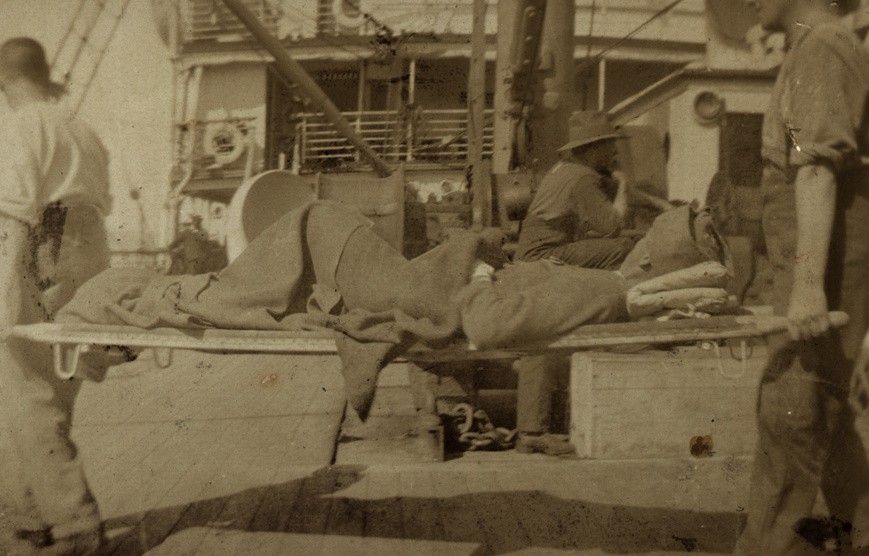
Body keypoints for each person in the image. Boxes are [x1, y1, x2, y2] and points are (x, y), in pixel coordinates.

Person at [738, 1, 869, 553]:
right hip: (818, 259)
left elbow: (815, 167)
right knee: (828, 422)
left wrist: (809, 285)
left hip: (826, 265)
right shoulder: (817, 45)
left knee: (791, 414)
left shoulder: (821, 46)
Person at [0, 37, 112, 554]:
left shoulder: (22, 126)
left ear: (4, 79)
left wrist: (2, 295)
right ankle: (25, 515)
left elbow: (18, 212)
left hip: (44, 243)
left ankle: (75, 526)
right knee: (56, 388)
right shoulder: (80, 127)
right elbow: (100, 203)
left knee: (21, 388)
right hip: (89, 247)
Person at [514, 110, 636, 269]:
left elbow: (619, 195)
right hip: (541, 255)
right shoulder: (582, 178)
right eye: (611, 143)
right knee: (623, 247)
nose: (615, 151)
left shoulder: (567, 168)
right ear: (594, 147)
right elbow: (614, 227)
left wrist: (659, 204)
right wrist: (623, 183)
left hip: (536, 252)